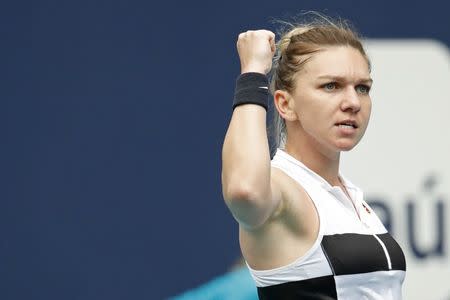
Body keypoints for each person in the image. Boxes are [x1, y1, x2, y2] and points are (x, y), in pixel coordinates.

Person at [221, 15, 406, 299]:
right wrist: (253, 74)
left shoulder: (351, 199)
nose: (353, 103)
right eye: (331, 86)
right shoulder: (283, 191)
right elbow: (244, 190)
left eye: (362, 88)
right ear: (285, 104)